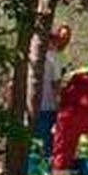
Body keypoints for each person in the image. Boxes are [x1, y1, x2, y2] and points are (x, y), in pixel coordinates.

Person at [35, 25, 71, 161]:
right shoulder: (53, 57)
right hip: (48, 107)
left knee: (35, 143)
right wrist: (60, 105)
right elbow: (56, 84)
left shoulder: (32, 55)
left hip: (32, 106)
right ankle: (47, 174)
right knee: (48, 143)